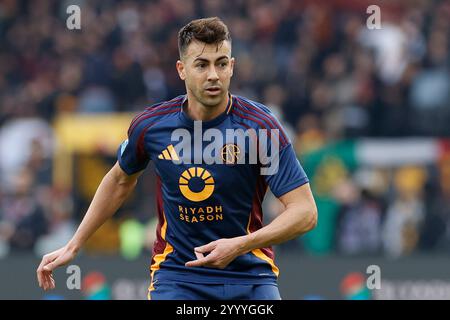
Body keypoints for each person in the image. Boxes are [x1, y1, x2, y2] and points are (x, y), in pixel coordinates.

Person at [36, 17, 318, 300]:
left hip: (250, 275)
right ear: (182, 70)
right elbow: (120, 180)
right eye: (201, 65)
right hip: (177, 278)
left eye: (221, 64)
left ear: (232, 67)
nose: (213, 75)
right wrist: (74, 245)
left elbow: (305, 212)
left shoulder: (260, 128)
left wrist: (241, 245)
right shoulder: (152, 125)